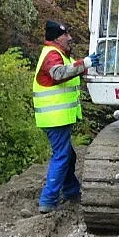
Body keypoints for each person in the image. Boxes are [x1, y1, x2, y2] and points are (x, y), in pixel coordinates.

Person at [32, 20, 100, 213]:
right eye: (65, 35)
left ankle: (71, 191)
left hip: (56, 117)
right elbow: (59, 74)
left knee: (68, 155)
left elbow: (70, 72)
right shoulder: (52, 55)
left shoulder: (59, 54)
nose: (70, 38)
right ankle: (48, 200)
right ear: (56, 38)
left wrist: (86, 66)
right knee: (62, 156)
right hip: (55, 117)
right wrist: (86, 62)